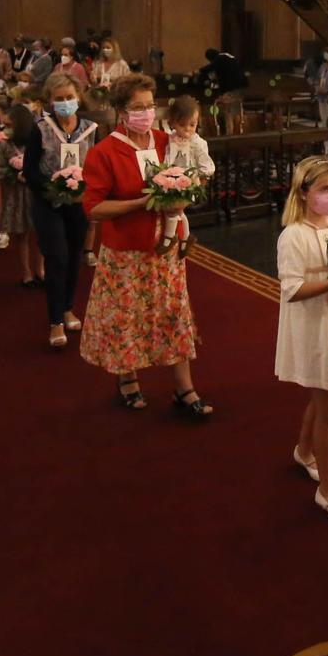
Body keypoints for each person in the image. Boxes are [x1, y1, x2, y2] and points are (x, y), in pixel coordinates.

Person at [79, 73, 212, 415]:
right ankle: (128, 379)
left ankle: (184, 388)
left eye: (150, 106)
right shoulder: (104, 152)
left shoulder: (167, 142)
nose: (146, 113)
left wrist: (186, 195)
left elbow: (193, 175)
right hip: (126, 252)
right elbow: (94, 208)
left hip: (167, 251)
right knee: (127, 318)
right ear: (121, 111)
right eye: (138, 107)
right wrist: (142, 204)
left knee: (174, 315)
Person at [275, 155, 328, 521]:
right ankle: (327, 490)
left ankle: (304, 451)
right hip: (314, 325)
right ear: (305, 193)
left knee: (326, 390)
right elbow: (291, 288)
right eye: (325, 189)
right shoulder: (293, 235)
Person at [27, 73, 100, 346]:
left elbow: (96, 165)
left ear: (79, 97)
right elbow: (29, 170)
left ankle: (68, 307)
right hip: (48, 201)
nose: (66, 103)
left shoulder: (90, 129)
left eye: (70, 97)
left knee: (73, 257)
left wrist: (86, 188)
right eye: (59, 99)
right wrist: (54, 188)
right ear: (50, 102)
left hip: (78, 203)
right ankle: (55, 321)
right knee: (56, 257)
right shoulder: (41, 128)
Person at [0, 96, 44, 283]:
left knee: (40, 235)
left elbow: (45, 165)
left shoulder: (36, 141)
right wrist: (14, 174)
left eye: (9, 125)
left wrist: (32, 174)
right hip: (16, 195)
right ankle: (26, 272)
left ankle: (40, 269)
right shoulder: (5, 145)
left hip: (35, 194)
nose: (5, 129)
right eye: (4, 125)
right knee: (21, 236)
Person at [160, 95, 215, 250]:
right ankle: (185, 238)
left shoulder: (197, 143)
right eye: (183, 125)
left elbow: (207, 166)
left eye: (192, 124)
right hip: (171, 180)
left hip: (189, 182)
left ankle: (168, 239)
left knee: (175, 210)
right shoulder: (169, 139)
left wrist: (198, 181)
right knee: (174, 211)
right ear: (172, 123)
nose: (188, 129)